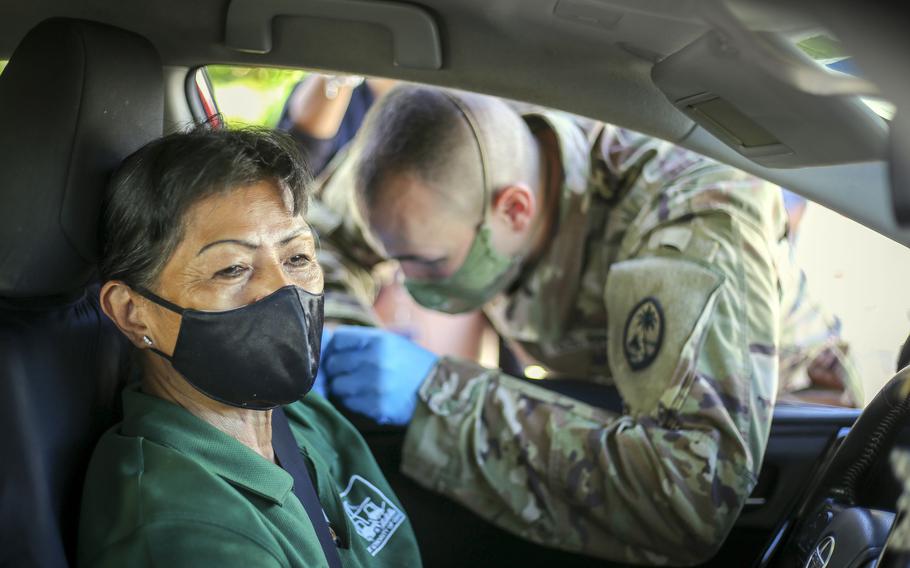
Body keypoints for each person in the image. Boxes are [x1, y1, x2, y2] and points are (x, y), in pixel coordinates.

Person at [313, 85, 788, 565]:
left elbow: (691, 494)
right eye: (396, 260)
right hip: (594, 402)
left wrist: (440, 396)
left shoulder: (686, 214)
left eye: (428, 261)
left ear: (515, 209)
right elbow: (321, 236)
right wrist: (350, 339)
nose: (409, 283)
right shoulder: (437, 159)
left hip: (789, 431)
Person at [77, 128, 421, 567]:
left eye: (297, 258)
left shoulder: (300, 417)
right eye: (232, 268)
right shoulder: (179, 532)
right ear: (131, 312)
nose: (284, 291)